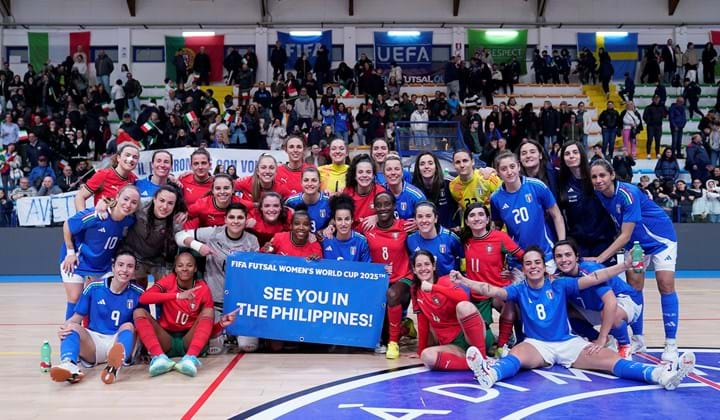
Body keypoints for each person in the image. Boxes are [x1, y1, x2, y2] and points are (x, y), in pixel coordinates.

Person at [455, 247, 695, 391]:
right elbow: (490, 290)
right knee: (517, 355)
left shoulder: (560, 284)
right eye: (528, 264)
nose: (533, 266)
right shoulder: (518, 289)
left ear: (544, 266)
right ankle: (489, 374)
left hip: (569, 343)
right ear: (524, 268)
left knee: (611, 361)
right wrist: (465, 281)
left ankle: (662, 375)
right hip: (537, 345)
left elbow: (596, 276)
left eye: (537, 262)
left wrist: (624, 266)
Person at [589, 159, 681, 362]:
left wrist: (601, 258)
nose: (598, 180)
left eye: (602, 175)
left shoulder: (627, 193)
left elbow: (624, 235)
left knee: (665, 285)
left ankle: (671, 344)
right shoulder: (599, 194)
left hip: (660, 240)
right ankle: (638, 338)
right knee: (634, 287)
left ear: (612, 175)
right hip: (637, 245)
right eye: (594, 177)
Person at [175, 203, 260, 353]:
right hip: (215, 300)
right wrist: (197, 246)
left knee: (248, 346)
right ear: (225, 219)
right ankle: (224, 334)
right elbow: (179, 235)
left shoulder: (252, 241)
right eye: (231, 217)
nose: (235, 221)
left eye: (240, 217)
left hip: (240, 302)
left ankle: (233, 334)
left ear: (246, 220)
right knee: (215, 349)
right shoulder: (213, 233)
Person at [50, 252, 143, 385]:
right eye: (120, 265)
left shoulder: (138, 293)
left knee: (128, 326)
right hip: (94, 342)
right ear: (113, 267)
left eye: (129, 266)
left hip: (118, 341)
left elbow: (143, 324)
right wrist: (65, 328)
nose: (124, 270)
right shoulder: (94, 288)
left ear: (134, 271)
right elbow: (77, 317)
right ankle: (69, 365)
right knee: (71, 327)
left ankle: (114, 366)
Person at [59, 185, 139, 320]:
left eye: (134, 202)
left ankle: (90, 334)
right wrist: (70, 252)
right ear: (117, 197)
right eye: (125, 199)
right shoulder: (97, 215)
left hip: (102, 265)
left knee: (99, 300)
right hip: (78, 259)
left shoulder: (129, 221)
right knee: (75, 298)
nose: (128, 204)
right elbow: (68, 224)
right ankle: (69, 337)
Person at [554, 239, 643, 359]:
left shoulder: (590, 269)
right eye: (559, 256)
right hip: (597, 308)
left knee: (610, 313)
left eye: (568, 255)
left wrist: (602, 337)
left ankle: (624, 346)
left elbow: (611, 302)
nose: (564, 260)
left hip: (626, 300)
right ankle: (603, 341)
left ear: (577, 257)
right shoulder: (558, 277)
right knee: (564, 313)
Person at [459, 203, 524, 354]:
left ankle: (503, 344)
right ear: (467, 221)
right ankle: (493, 339)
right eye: (472, 215)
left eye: (481, 214)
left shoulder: (500, 237)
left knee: (511, 303)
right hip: (478, 295)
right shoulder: (464, 240)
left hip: (499, 289)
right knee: (484, 342)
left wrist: (513, 272)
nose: (477, 218)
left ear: (488, 219)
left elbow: (522, 256)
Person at [412, 250, 490, 370]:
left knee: (464, 306)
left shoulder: (445, 280)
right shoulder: (416, 291)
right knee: (426, 356)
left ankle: (482, 357)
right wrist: (420, 351)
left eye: (427, 264)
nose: (423, 268)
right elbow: (422, 322)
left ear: (433, 266)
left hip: (470, 335)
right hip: (452, 345)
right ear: (414, 270)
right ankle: (474, 364)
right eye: (419, 265)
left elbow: (463, 297)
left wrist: (433, 287)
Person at [490, 151, 565, 270]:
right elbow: (497, 227)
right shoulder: (495, 198)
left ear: (519, 166)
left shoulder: (537, 186)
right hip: (517, 260)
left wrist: (562, 246)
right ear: (498, 173)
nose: (509, 172)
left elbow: (557, 215)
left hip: (546, 255)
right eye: (504, 169)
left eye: (512, 166)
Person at [366, 192, 413, 359]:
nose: (383, 208)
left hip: (403, 278)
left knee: (392, 295)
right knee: (383, 331)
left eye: (387, 204)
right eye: (379, 205)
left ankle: (393, 344)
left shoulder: (405, 227)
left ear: (394, 206)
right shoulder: (367, 228)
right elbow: (345, 228)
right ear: (374, 208)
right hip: (380, 282)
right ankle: (405, 328)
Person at [117, 185, 187, 289]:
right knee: (137, 287)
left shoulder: (176, 218)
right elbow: (119, 204)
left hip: (158, 258)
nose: (164, 206)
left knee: (164, 287)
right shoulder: (140, 205)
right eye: (162, 200)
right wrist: (104, 204)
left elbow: (181, 238)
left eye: (170, 203)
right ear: (154, 199)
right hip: (134, 253)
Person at [557, 142, 616, 259]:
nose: (571, 156)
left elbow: (617, 185)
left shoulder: (596, 175)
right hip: (578, 240)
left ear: (582, 154)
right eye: (567, 154)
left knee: (605, 275)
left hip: (603, 239)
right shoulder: (560, 181)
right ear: (563, 158)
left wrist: (644, 191)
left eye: (575, 152)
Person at [74, 142, 140, 210]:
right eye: (127, 155)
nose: (131, 159)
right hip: (103, 219)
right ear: (118, 158)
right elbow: (80, 196)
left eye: (135, 157)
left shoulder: (134, 179)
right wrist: (83, 218)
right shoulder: (103, 175)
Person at [406, 202, 463, 277]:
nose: (424, 220)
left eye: (428, 216)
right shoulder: (410, 240)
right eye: (420, 216)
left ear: (435, 218)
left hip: (448, 284)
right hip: (423, 283)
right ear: (415, 220)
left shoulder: (450, 237)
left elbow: (462, 258)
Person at [411, 152, 458, 230]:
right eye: (422, 164)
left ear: (436, 167)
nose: (426, 167)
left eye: (430, 163)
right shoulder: (414, 190)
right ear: (418, 169)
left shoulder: (449, 184)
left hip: (448, 234)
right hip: (425, 234)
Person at [321, 194, 371, 262]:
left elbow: (368, 269)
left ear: (352, 220)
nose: (343, 224)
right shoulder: (325, 240)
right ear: (334, 221)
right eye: (339, 219)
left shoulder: (361, 242)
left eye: (347, 219)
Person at [342, 154, 386, 231]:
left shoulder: (380, 192)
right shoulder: (347, 192)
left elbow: (390, 215)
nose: (364, 175)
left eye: (368, 172)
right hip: (353, 235)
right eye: (360, 172)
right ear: (355, 175)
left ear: (373, 176)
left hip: (374, 235)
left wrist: (378, 217)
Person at [382, 154, 426, 228]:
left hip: (410, 236)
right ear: (384, 174)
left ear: (402, 173)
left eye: (397, 169)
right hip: (387, 236)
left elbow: (428, 217)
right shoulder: (380, 191)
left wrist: (420, 223)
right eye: (389, 169)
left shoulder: (416, 195)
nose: (393, 173)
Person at [284, 167, 331, 233]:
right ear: (301, 183)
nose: (309, 184)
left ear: (320, 183)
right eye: (306, 180)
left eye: (314, 180)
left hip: (322, 242)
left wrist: (329, 227)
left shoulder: (328, 202)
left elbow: (335, 221)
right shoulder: (291, 202)